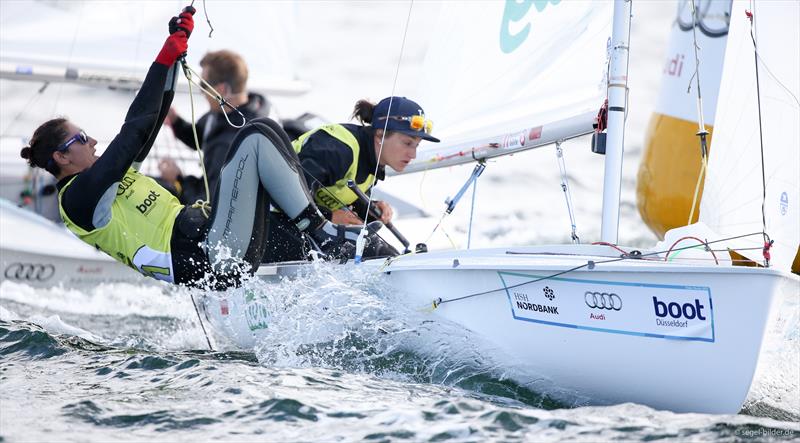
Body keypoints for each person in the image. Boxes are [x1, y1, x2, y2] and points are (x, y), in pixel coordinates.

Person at [19, 7, 380, 289]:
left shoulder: (105, 179)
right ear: (61, 158)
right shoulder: (79, 200)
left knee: (267, 129)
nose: (93, 140)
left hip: (219, 239)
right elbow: (132, 132)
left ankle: (347, 246)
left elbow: (150, 119)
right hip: (210, 257)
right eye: (80, 139)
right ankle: (321, 232)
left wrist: (175, 56)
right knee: (255, 136)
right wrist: (163, 58)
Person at [263, 96, 440, 263]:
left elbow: (344, 202)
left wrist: (370, 211)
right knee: (370, 251)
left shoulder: (373, 161)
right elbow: (284, 196)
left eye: (417, 145)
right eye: (408, 143)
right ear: (380, 134)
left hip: (292, 224)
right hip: (261, 218)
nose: (413, 154)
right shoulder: (337, 149)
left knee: (378, 251)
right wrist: (330, 216)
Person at [159, 49, 276, 205]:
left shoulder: (230, 144)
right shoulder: (239, 108)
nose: (201, 92)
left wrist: (178, 179)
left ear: (221, 90)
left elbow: (209, 203)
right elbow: (203, 137)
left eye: (203, 85)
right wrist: (176, 122)